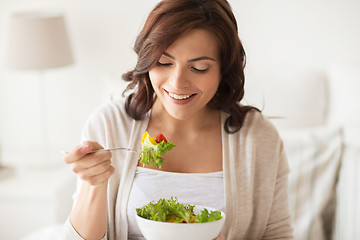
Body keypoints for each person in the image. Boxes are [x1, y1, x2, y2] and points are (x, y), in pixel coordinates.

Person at [62, 0, 294, 239]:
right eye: (164, 62)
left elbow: (278, 233)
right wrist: (95, 184)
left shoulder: (257, 137)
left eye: (199, 68)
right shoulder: (109, 125)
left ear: (224, 68)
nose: (177, 83)